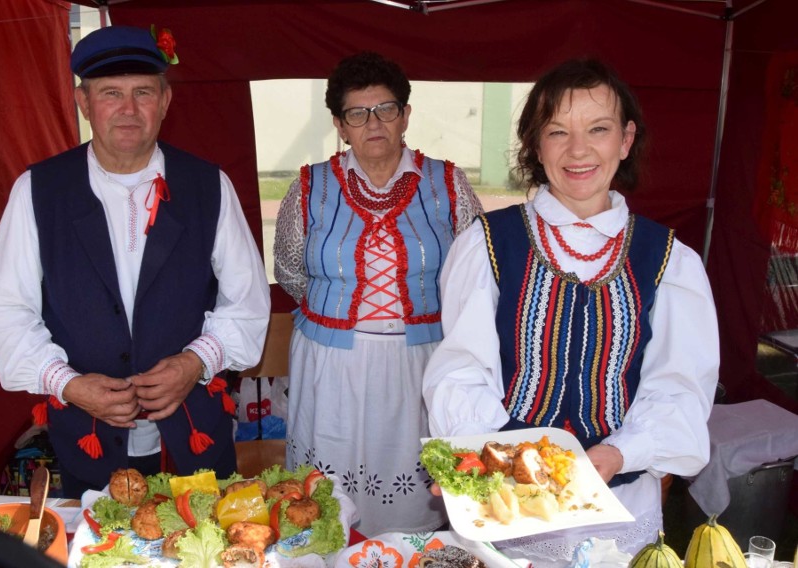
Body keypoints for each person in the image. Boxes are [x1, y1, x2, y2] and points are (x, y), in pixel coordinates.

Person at [422, 58, 719, 563]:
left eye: (598, 129)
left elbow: (679, 390)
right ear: (536, 147)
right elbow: (460, 373)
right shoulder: (488, 244)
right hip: (506, 505)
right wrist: (512, 459)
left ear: (625, 141)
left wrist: (621, 453)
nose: (578, 150)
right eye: (557, 132)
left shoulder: (670, 260)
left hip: (618, 508)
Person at [0, 25, 271, 497]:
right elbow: (7, 312)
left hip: (195, 436)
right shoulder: (38, 191)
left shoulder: (207, 186)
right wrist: (69, 384)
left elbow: (249, 305)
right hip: (89, 442)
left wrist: (195, 362)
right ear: (83, 102)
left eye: (143, 92)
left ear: (166, 100)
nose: (129, 109)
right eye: (111, 93)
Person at [274, 51, 483, 536]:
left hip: (423, 362)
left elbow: (475, 275)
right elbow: (290, 272)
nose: (374, 123)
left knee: (417, 495)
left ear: (406, 115)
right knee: (327, 499)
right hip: (333, 365)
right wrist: (344, 312)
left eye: (386, 109)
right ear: (340, 125)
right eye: (357, 113)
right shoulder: (309, 187)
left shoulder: (448, 184)